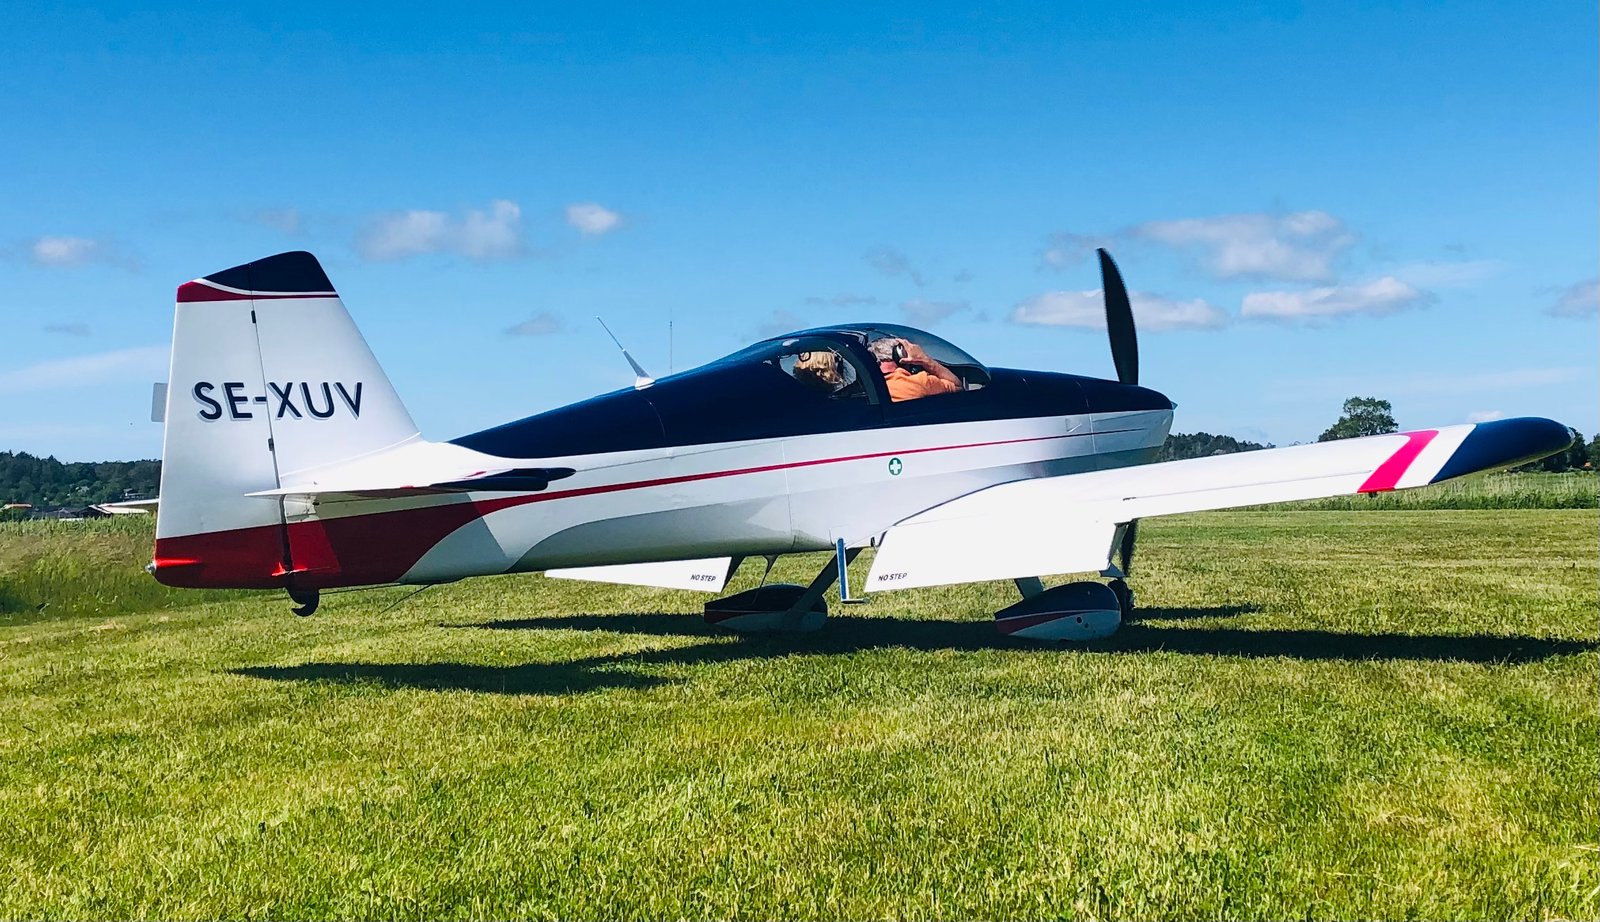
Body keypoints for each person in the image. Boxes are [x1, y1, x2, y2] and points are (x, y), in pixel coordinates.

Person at [867, 337, 962, 402]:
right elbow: (958, 387)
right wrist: (925, 360)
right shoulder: (918, 382)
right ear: (901, 355)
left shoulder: (864, 386)